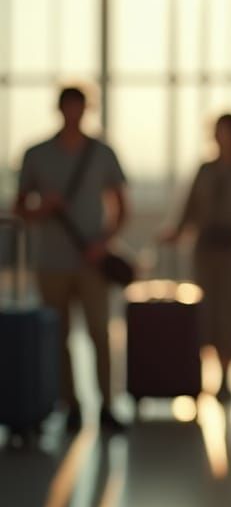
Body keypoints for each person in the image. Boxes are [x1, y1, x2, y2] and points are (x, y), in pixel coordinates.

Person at [13, 86, 129, 434]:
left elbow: (122, 207)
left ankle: (107, 404)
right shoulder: (36, 155)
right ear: (60, 109)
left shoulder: (102, 153)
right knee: (57, 337)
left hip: (91, 261)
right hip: (51, 261)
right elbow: (20, 210)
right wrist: (42, 209)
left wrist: (103, 242)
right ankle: (71, 406)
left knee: (99, 333)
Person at [161, 114, 231, 404]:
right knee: (205, 312)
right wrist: (177, 231)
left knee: (230, 312)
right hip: (206, 251)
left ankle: (225, 377)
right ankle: (199, 374)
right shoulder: (205, 170)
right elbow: (190, 206)